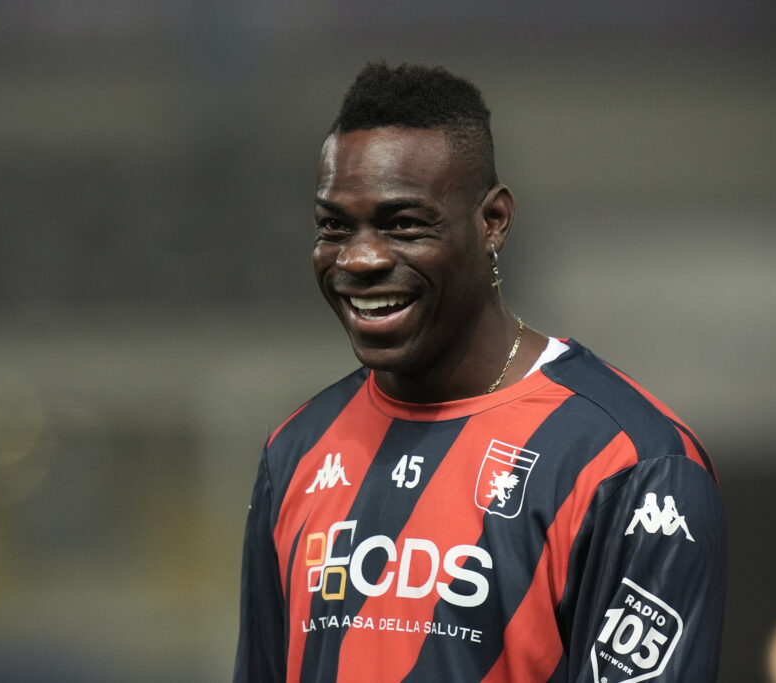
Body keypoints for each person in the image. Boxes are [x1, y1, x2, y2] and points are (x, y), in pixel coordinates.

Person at [233, 62, 725, 683]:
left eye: (403, 224)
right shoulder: (295, 450)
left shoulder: (631, 463)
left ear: (492, 221)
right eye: (334, 226)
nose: (358, 258)